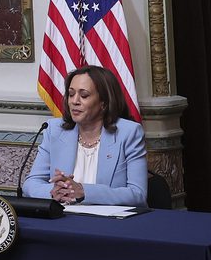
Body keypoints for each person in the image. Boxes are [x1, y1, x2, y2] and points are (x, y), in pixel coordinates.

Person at [23, 63, 148, 207]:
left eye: (84, 95)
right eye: (71, 94)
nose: (74, 101)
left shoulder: (129, 133)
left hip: (108, 224)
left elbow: (138, 194)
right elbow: (31, 183)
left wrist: (84, 191)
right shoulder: (54, 130)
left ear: (104, 103)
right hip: (64, 219)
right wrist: (54, 192)